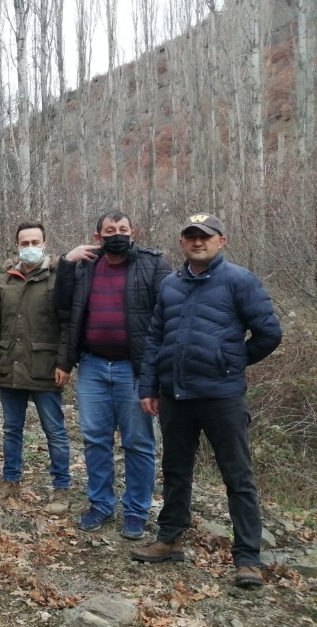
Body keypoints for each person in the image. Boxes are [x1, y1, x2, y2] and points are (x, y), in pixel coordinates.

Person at [131, 214, 282, 589]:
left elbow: (269, 333)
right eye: (191, 237)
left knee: (238, 476)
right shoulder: (170, 285)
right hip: (175, 396)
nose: (198, 242)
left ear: (221, 240)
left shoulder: (239, 281)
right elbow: (155, 339)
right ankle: (170, 539)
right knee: (176, 470)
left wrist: (231, 362)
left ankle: (247, 558)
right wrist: (149, 387)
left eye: (205, 237)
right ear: (182, 243)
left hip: (222, 397)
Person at [54, 211, 171, 539]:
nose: (116, 234)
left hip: (134, 369)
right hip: (92, 365)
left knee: (138, 442)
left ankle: (136, 510)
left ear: (133, 232)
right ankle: (101, 504)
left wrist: (158, 371)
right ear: (98, 237)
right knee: (95, 439)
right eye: (109, 230)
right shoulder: (85, 266)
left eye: (122, 229)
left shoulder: (153, 265)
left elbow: (169, 315)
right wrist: (65, 262)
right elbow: (61, 305)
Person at [0, 221, 72, 514]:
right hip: (11, 366)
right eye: (25, 243)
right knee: (12, 429)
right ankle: (11, 480)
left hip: (46, 367)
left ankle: (61, 488)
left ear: (45, 244)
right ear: (17, 245)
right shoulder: (6, 281)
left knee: (55, 431)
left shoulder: (58, 279)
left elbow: (66, 325)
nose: (30, 248)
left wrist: (64, 363)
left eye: (35, 242)